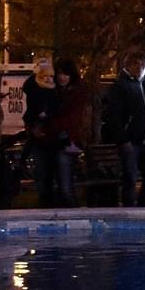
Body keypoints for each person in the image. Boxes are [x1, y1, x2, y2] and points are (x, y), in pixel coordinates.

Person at [101, 49, 145, 207]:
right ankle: (129, 210)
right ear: (129, 65)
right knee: (130, 178)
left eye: (143, 65)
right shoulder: (121, 86)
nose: (140, 68)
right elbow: (113, 115)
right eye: (137, 64)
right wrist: (123, 139)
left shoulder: (144, 87)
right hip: (131, 141)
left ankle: (142, 208)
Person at [22, 57, 66, 206]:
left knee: (50, 174)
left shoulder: (54, 91)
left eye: (50, 76)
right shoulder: (35, 89)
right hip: (40, 137)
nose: (49, 79)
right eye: (45, 76)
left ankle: (51, 202)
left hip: (52, 136)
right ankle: (45, 202)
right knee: (42, 174)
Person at [50, 58, 91, 197]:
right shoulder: (53, 92)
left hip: (68, 142)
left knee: (65, 188)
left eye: (65, 74)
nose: (61, 77)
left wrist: (49, 125)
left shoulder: (76, 94)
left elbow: (71, 120)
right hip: (54, 141)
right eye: (59, 74)